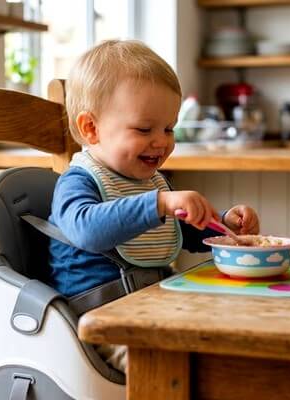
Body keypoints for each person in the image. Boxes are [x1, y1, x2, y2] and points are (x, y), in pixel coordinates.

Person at [48, 39, 260, 373]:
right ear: (92, 128)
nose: (161, 141)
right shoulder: (79, 181)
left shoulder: (149, 183)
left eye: (169, 128)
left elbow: (182, 229)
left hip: (155, 306)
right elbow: (85, 230)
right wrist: (158, 203)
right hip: (103, 322)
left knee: (229, 337)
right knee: (176, 368)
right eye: (144, 129)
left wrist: (224, 224)